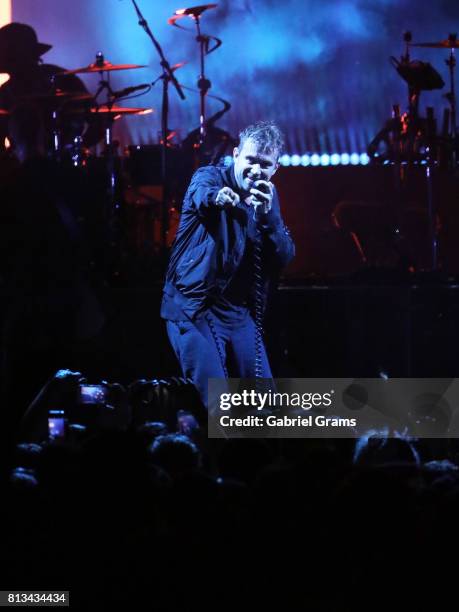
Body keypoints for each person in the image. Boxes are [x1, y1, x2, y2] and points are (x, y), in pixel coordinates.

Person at [161, 121, 295, 407]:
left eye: (265, 164)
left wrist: (270, 219)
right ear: (236, 155)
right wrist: (219, 198)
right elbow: (203, 195)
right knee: (217, 404)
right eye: (250, 160)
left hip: (238, 314)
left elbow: (284, 257)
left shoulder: (269, 198)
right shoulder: (208, 177)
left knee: (265, 405)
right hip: (196, 307)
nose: (256, 170)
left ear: (276, 169)